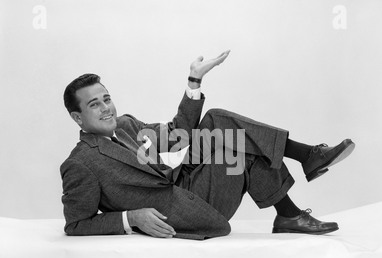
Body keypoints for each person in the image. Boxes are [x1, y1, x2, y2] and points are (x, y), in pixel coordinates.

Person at [60, 51, 355, 240]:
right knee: (238, 149)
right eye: (94, 105)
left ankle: (301, 178)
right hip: (181, 207)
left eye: (107, 99)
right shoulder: (81, 163)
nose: (106, 109)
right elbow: (76, 224)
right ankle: (300, 180)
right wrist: (131, 218)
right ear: (78, 117)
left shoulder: (125, 126)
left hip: (186, 182)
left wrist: (194, 80)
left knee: (218, 121)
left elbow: (179, 134)